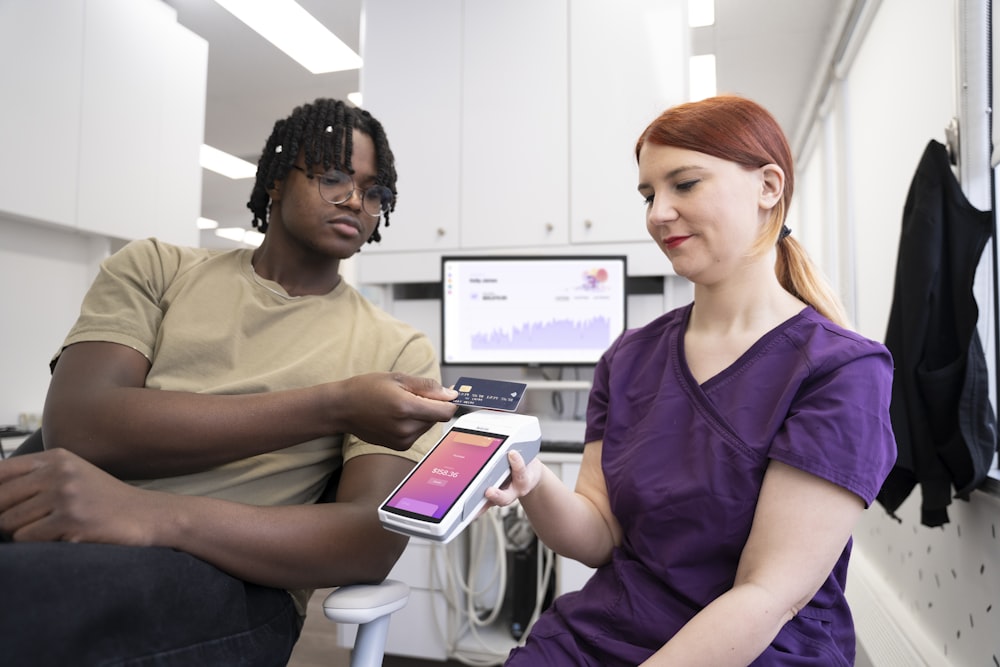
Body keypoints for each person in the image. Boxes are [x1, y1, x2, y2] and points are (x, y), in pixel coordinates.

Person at [0, 98, 458, 665]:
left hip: (234, 582)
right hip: (66, 524)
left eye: (372, 192)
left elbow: (370, 540)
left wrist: (148, 514)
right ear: (273, 180)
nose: (355, 202)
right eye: (333, 177)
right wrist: (336, 404)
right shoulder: (155, 268)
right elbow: (81, 426)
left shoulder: (396, 349)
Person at [486, 95, 897, 666]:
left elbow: (767, 594)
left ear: (768, 188)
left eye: (684, 184)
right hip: (598, 637)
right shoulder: (628, 357)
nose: (657, 213)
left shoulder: (840, 371)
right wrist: (529, 479)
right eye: (649, 195)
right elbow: (600, 533)